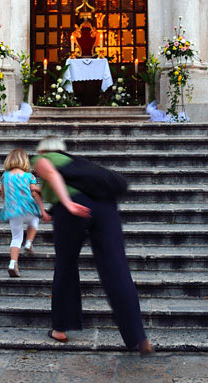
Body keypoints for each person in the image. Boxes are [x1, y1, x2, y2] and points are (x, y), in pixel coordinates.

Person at [31, 136, 153, 354]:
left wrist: (67, 203)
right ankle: (138, 337)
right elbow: (48, 184)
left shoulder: (42, 159)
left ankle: (60, 328)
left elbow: (50, 173)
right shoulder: (77, 165)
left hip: (73, 208)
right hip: (106, 206)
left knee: (66, 264)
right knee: (116, 268)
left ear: (43, 151)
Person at [0, 148, 50, 278]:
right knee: (34, 220)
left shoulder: (5, 176)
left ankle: (12, 263)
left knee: (16, 237)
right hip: (27, 208)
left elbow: (3, 195)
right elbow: (34, 190)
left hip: (12, 210)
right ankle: (29, 242)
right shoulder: (29, 176)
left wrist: (9, 204)